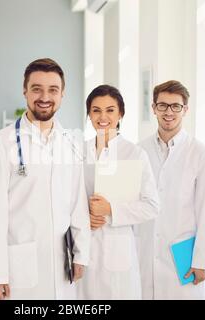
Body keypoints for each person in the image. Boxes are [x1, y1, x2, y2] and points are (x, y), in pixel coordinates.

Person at [0, 58, 90, 300]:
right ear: (25, 90)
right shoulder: (2, 143)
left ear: (62, 94)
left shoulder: (70, 142)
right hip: (19, 265)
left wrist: (82, 253)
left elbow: (77, 204)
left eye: (53, 90)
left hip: (62, 264)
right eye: (37, 88)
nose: (44, 97)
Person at [136, 80, 205, 300]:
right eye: (162, 105)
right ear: (153, 108)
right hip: (144, 254)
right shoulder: (139, 151)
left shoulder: (201, 154)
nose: (168, 112)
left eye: (176, 106)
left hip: (183, 259)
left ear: (185, 110)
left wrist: (203, 261)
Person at [78, 85, 159, 299]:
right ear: (89, 114)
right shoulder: (77, 150)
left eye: (110, 110)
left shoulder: (134, 153)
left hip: (119, 248)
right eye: (96, 110)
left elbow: (152, 205)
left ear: (120, 113)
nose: (103, 117)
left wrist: (111, 209)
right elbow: (64, 196)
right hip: (83, 247)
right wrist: (83, 213)